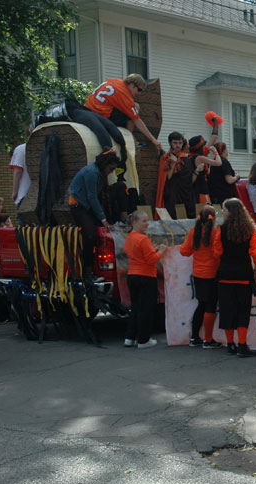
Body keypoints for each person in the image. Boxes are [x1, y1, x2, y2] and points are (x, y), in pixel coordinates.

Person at [213, 198, 256, 357]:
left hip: (225, 274)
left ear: (231, 212)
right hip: (243, 275)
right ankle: (242, 345)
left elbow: (217, 252)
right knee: (243, 311)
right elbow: (255, 252)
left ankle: (230, 344)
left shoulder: (221, 230)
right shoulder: (250, 230)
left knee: (227, 310)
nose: (222, 213)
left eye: (224, 210)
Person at [69, 150, 120, 281]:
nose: (112, 171)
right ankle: (87, 270)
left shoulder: (99, 173)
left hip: (87, 205)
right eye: (111, 168)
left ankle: (97, 266)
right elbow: (92, 197)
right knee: (90, 235)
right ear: (105, 165)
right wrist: (103, 219)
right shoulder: (92, 172)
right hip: (79, 205)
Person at [180, 205, 222, 349]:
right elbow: (218, 253)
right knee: (210, 306)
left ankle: (194, 337)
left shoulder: (193, 231)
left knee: (201, 305)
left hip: (198, 274)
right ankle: (208, 340)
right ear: (214, 218)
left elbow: (184, 251)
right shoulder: (215, 233)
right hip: (212, 274)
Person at [123, 210, 167, 349]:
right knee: (146, 309)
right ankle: (143, 339)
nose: (147, 223)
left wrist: (153, 250)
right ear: (134, 222)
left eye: (147, 220)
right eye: (144, 221)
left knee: (135, 308)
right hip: (146, 276)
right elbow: (151, 259)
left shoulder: (130, 237)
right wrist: (161, 251)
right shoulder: (143, 238)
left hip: (132, 275)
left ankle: (130, 337)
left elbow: (136, 254)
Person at [85, 74, 162, 153]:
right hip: (100, 114)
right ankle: (129, 139)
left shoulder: (114, 81)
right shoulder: (125, 95)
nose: (139, 93)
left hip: (88, 108)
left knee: (134, 106)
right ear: (132, 85)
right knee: (134, 109)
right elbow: (137, 120)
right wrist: (153, 140)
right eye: (139, 90)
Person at [188, 135, 222, 205]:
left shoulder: (190, 157)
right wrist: (215, 152)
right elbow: (218, 163)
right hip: (202, 189)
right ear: (200, 148)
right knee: (206, 211)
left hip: (196, 189)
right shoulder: (200, 158)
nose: (205, 147)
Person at [9, 143, 31, 207]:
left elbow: (18, 172)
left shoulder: (21, 149)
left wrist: (15, 192)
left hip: (25, 193)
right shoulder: (48, 145)